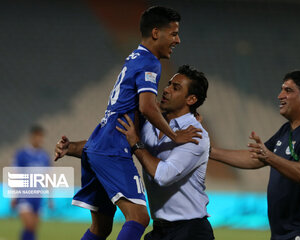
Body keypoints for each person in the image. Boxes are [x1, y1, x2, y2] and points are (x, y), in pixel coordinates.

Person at [54, 6, 201, 240]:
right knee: (139, 217)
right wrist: (175, 136)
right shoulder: (151, 62)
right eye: (173, 33)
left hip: (99, 146)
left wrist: (72, 147)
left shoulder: (134, 57)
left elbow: (113, 124)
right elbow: (147, 106)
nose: (178, 40)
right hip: (113, 151)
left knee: (101, 229)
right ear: (156, 33)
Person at [55, 65, 214, 240]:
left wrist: (136, 144)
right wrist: (71, 148)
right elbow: (109, 148)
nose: (166, 90)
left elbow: (163, 175)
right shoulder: (150, 124)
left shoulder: (195, 135)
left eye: (175, 88)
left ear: (191, 99)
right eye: (168, 84)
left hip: (191, 231)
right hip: (160, 230)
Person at [210, 70, 300, 240]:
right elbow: (255, 158)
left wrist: (270, 157)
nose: (280, 95)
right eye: (282, 89)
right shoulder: (287, 130)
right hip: (282, 234)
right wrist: (209, 151)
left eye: (288, 90)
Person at [11, 125, 52, 240]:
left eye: (41, 137)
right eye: (38, 136)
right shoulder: (22, 154)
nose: (40, 139)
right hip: (24, 194)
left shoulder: (44, 156)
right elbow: (16, 174)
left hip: (38, 195)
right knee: (29, 224)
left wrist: (50, 197)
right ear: (32, 137)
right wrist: (14, 195)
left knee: (33, 227)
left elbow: (47, 176)